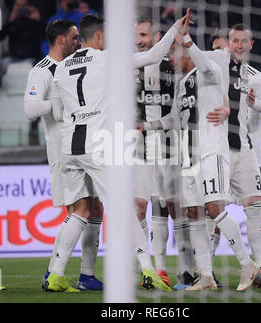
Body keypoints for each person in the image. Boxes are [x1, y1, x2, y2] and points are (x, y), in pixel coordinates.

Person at [46, 13, 190, 292]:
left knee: (80, 211)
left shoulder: (62, 66)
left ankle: (55, 274)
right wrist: (174, 29)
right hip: (98, 145)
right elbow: (152, 56)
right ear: (99, 35)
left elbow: (57, 111)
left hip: (70, 146)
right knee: (123, 208)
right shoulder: (108, 58)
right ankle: (149, 271)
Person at [142, 11, 261, 291]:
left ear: (186, 51)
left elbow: (206, 65)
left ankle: (248, 265)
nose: (170, 59)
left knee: (215, 210)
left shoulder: (210, 72)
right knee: (194, 215)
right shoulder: (183, 84)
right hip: (189, 159)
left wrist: (186, 39)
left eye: (174, 53)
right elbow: (172, 119)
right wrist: (145, 126)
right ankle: (205, 276)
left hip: (211, 152)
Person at [24, 19, 104, 292]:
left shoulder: (75, 65)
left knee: (94, 208)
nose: (78, 42)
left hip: (83, 146)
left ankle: (86, 275)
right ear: (60, 40)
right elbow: (30, 109)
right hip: (62, 150)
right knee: (79, 209)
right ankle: (53, 273)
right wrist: (59, 106)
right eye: (73, 38)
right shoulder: (42, 70)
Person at [210, 24, 261, 287]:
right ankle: (207, 271)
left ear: (251, 44)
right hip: (224, 153)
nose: (238, 45)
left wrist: (252, 103)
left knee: (260, 213)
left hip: (252, 153)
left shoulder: (257, 77)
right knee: (215, 213)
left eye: (243, 41)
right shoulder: (219, 75)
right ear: (228, 43)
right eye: (234, 41)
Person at [135, 18, 194, 289]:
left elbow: (181, 109)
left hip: (173, 145)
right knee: (155, 207)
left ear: (157, 36)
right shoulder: (130, 69)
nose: (139, 40)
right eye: (136, 36)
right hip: (142, 148)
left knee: (178, 208)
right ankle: (159, 270)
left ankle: (188, 270)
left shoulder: (173, 68)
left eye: (144, 35)